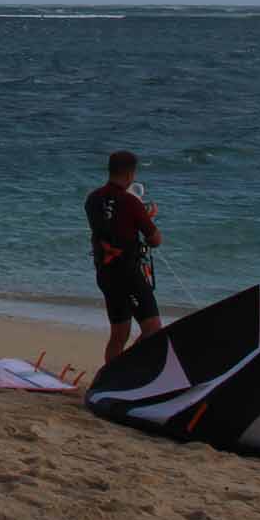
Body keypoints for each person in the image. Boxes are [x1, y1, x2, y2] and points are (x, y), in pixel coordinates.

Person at [86, 149, 164, 365]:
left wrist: (137, 219)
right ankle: (127, 369)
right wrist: (145, 218)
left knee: (119, 334)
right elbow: (155, 239)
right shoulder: (131, 202)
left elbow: (111, 226)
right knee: (153, 329)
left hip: (105, 274)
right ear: (130, 175)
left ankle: (110, 378)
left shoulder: (92, 199)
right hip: (128, 274)